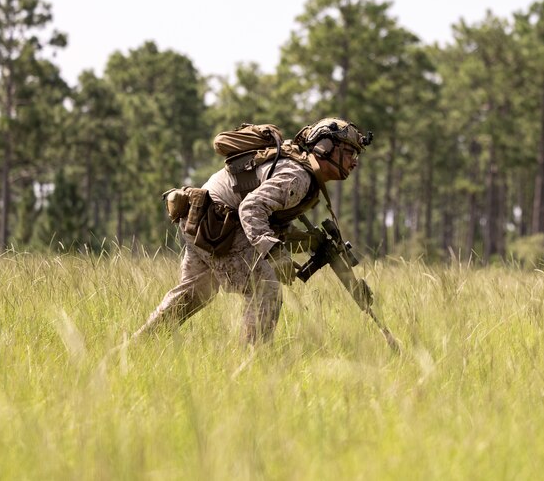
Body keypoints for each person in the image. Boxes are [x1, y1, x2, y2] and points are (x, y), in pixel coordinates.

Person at [133, 117, 370, 344]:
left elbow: (270, 221)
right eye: (350, 152)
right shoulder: (297, 176)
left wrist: (309, 242)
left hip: (203, 221)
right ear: (325, 147)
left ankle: (137, 347)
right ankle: (253, 361)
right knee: (265, 290)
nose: (355, 161)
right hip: (219, 227)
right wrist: (274, 253)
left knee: (193, 294)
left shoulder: (301, 172)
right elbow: (251, 208)